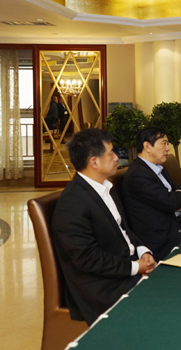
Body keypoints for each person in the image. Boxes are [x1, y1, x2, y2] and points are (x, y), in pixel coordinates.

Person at [51, 128, 156, 325]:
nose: (116, 157)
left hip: (122, 270)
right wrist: (135, 267)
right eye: (111, 153)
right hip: (101, 288)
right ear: (94, 162)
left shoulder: (106, 187)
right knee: (166, 299)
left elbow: (124, 229)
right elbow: (87, 258)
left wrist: (143, 251)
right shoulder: (72, 203)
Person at [121, 127, 181, 262]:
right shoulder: (138, 175)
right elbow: (172, 202)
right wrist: (179, 199)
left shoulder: (159, 168)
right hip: (163, 240)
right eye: (164, 143)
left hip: (178, 224)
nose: (168, 148)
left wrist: (179, 198)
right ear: (147, 146)